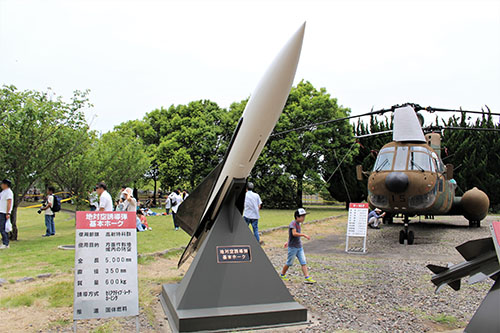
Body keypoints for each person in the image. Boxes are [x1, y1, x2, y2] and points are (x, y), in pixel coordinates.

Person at [280, 208, 316, 284]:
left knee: (303, 262)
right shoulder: (293, 224)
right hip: (292, 247)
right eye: (302, 216)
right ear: (297, 217)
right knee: (289, 263)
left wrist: (288, 241)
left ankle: (307, 277)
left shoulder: (298, 224)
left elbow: (291, 236)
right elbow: (294, 234)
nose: (303, 218)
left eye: (304, 216)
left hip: (299, 246)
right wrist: (303, 235)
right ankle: (282, 274)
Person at [0, 179, 13, 249]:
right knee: (1, 228)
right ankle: (4, 241)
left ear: (5, 185)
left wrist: (8, 212)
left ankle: (6, 243)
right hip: (1, 211)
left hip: (4, 212)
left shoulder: (8, 192)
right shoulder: (3, 192)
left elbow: (9, 202)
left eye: (2, 184)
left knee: (3, 228)